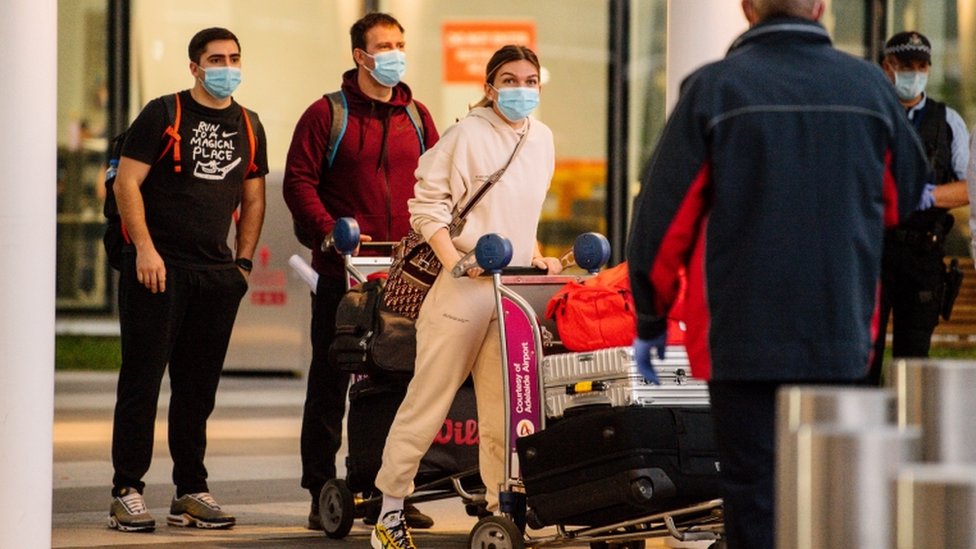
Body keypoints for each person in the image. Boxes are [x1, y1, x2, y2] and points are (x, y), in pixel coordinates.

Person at [626, 2, 929, 548]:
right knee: (840, 497)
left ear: (746, 8)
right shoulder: (868, 88)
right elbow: (904, 196)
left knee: (755, 500)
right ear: (820, 7)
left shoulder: (714, 90)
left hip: (743, 342)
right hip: (842, 336)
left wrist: (650, 315)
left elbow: (662, 221)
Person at [369, 45, 563, 549]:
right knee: (428, 402)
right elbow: (427, 209)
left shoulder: (541, 139)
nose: (521, 88)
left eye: (530, 79)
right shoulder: (465, 134)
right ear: (490, 84)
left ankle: (504, 510)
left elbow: (521, 213)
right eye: (509, 79)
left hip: (511, 293)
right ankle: (390, 510)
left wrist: (536, 253)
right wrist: (456, 258)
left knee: (507, 410)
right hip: (461, 290)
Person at [281, 12, 439, 531]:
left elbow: (437, 182)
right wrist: (329, 229)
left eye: (400, 43)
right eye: (384, 45)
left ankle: (387, 488)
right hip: (345, 272)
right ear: (360, 55)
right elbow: (299, 183)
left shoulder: (417, 116)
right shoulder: (327, 114)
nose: (395, 52)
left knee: (398, 379)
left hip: (406, 276)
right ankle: (320, 487)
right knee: (331, 381)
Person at [107, 27, 268, 532]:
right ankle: (126, 489)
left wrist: (241, 265)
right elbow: (126, 184)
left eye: (234, 58)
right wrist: (146, 251)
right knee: (142, 381)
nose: (227, 66)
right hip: (157, 270)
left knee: (198, 389)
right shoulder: (162, 112)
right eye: (216, 59)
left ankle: (190, 490)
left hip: (214, 273)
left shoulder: (249, 122)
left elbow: (254, 197)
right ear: (195, 67)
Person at [867, 30, 970, 385]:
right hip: (872, 251)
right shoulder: (868, 116)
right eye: (906, 65)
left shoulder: (947, 122)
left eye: (921, 65)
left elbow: (969, 186)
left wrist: (928, 196)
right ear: (887, 68)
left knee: (914, 364)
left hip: (922, 254)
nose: (915, 73)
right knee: (863, 359)